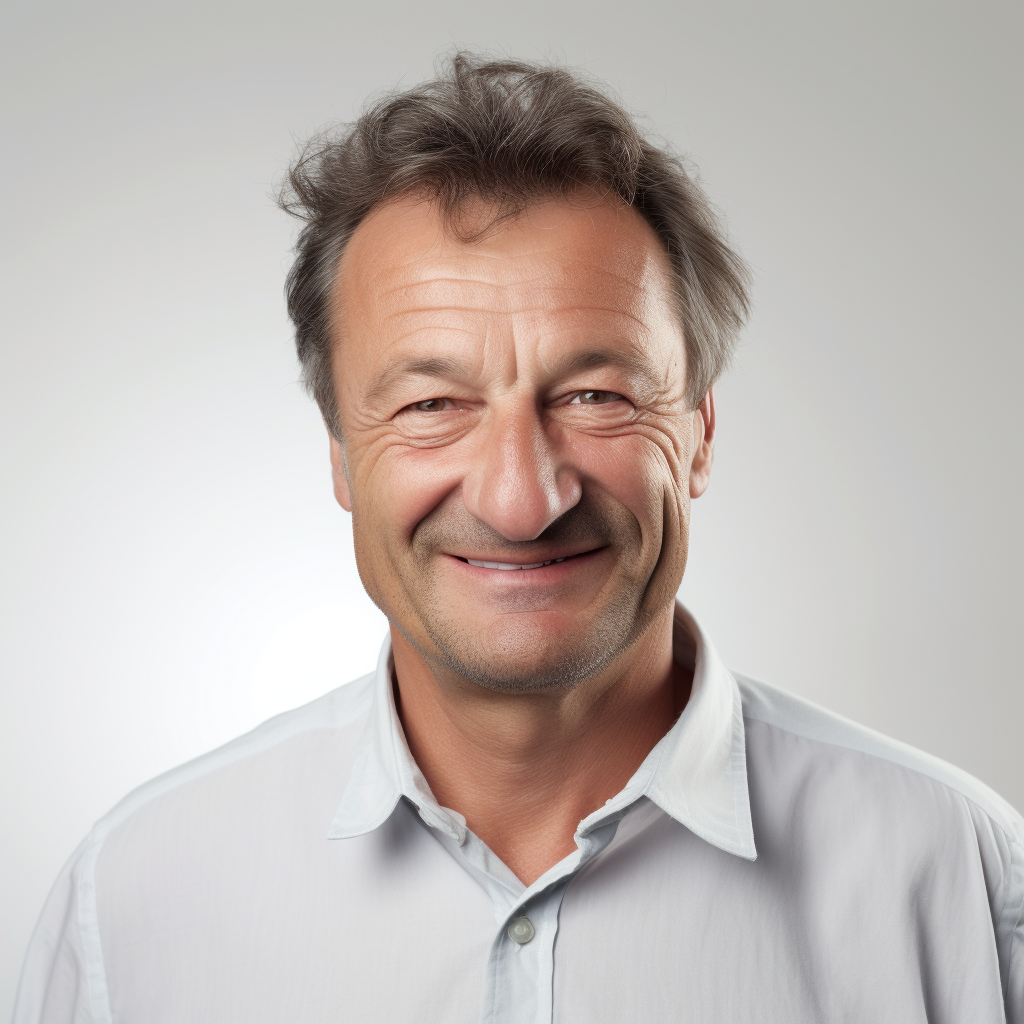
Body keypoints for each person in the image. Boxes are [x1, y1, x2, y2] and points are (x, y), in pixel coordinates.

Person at [14, 52, 1022, 1024]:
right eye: (431, 404)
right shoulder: (136, 903)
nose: (519, 498)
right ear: (338, 457)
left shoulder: (958, 876)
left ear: (698, 435)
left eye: (594, 394)